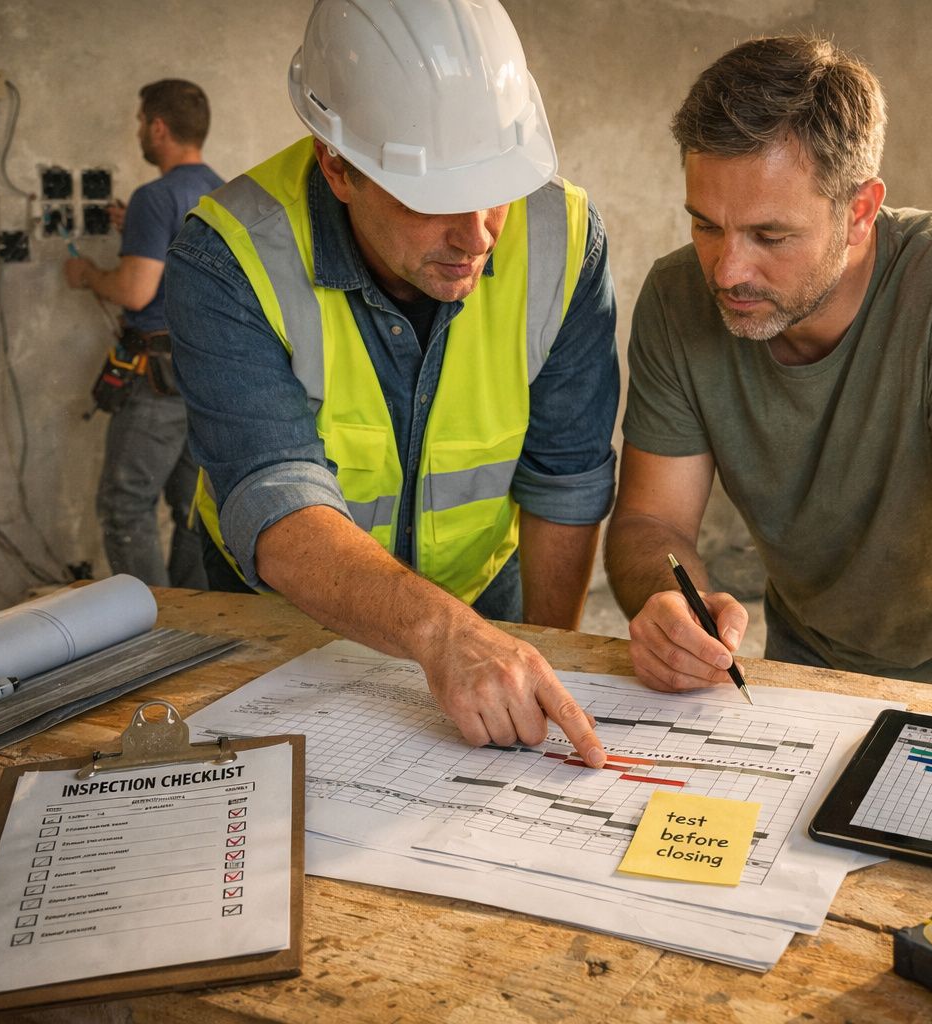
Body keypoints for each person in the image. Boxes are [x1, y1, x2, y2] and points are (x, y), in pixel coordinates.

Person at [164, 0, 617, 766]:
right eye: (434, 199)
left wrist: (545, 653)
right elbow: (274, 499)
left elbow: (565, 479)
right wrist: (442, 634)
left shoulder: (564, 237)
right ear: (337, 166)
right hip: (286, 615)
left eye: (495, 188)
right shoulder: (231, 255)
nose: (476, 237)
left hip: (484, 595)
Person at [604, 36, 932, 704]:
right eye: (706, 227)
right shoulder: (675, 297)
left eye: (770, 237)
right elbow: (649, 525)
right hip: (813, 653)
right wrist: (671, 601)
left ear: (860, 212)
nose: (727, 272)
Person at [64, 80, 221, 589]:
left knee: (124, 502)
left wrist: (88, 273)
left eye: (140, 122)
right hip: (207, 374)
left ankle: (154, 629)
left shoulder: (156, 196)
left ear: (158, 126)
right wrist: (139, 229)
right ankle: (191, 626)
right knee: (193, 509)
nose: (139, 132)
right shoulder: (223, 191)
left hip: (156, 377)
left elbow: (135, 291)